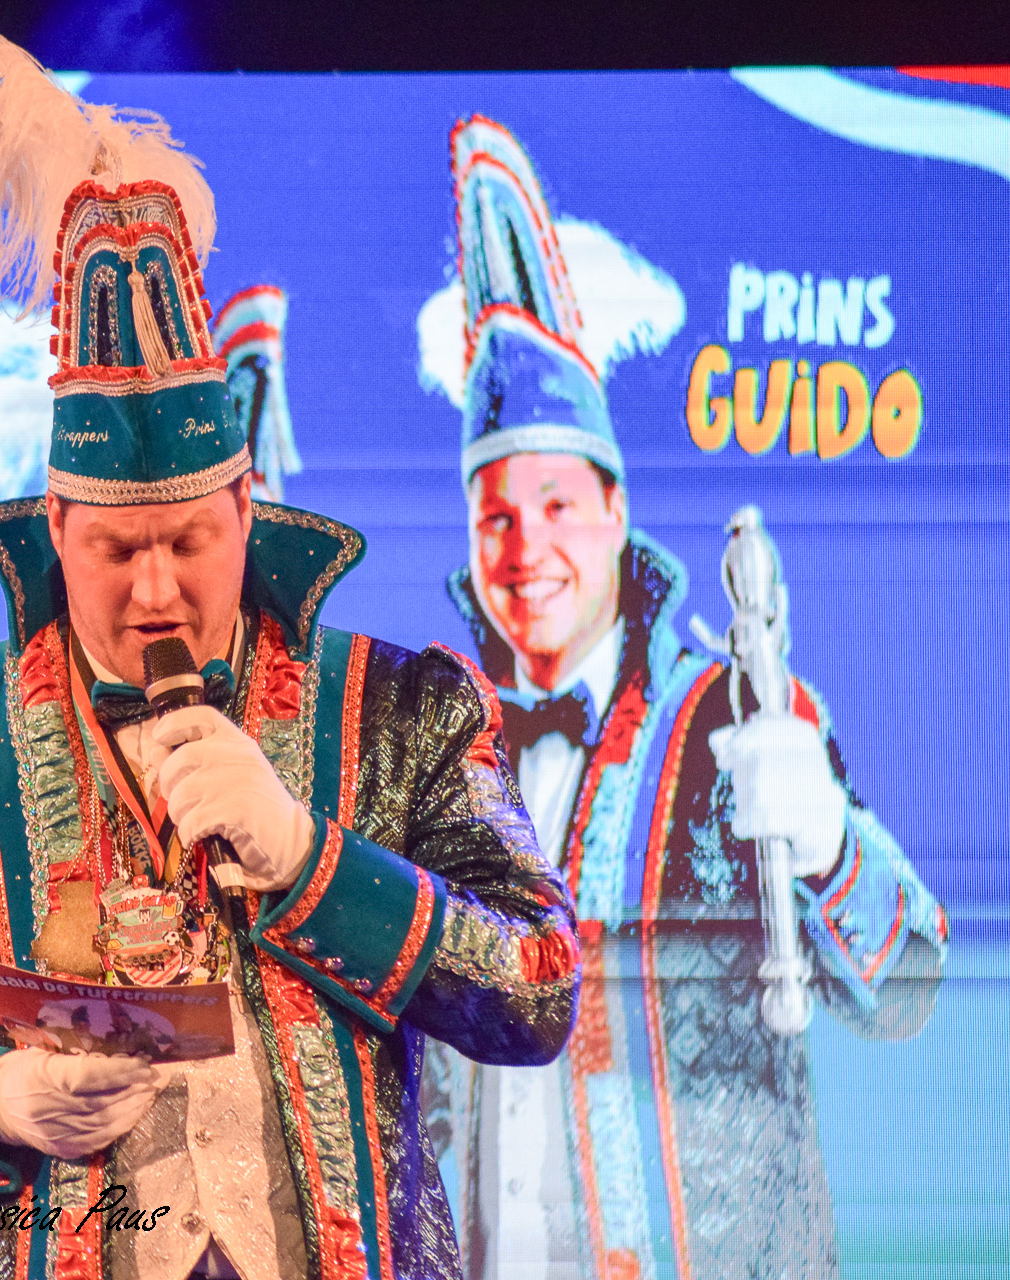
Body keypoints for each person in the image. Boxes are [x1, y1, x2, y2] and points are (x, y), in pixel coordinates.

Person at [0, 9, 580, 1279]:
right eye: (114, 547)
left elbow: (538, 982)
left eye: (190, 540)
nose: (155, 589)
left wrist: (305, 856)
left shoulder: (402, 709)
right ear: (54, 525)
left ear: (248, 508)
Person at [424, 116, 949, 1280]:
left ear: (615, 511)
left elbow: (906, 988)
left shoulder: (736, 716)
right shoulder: (433, 749)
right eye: (496, 514)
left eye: (557, 506)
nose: (526, 547)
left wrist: (828, 840)